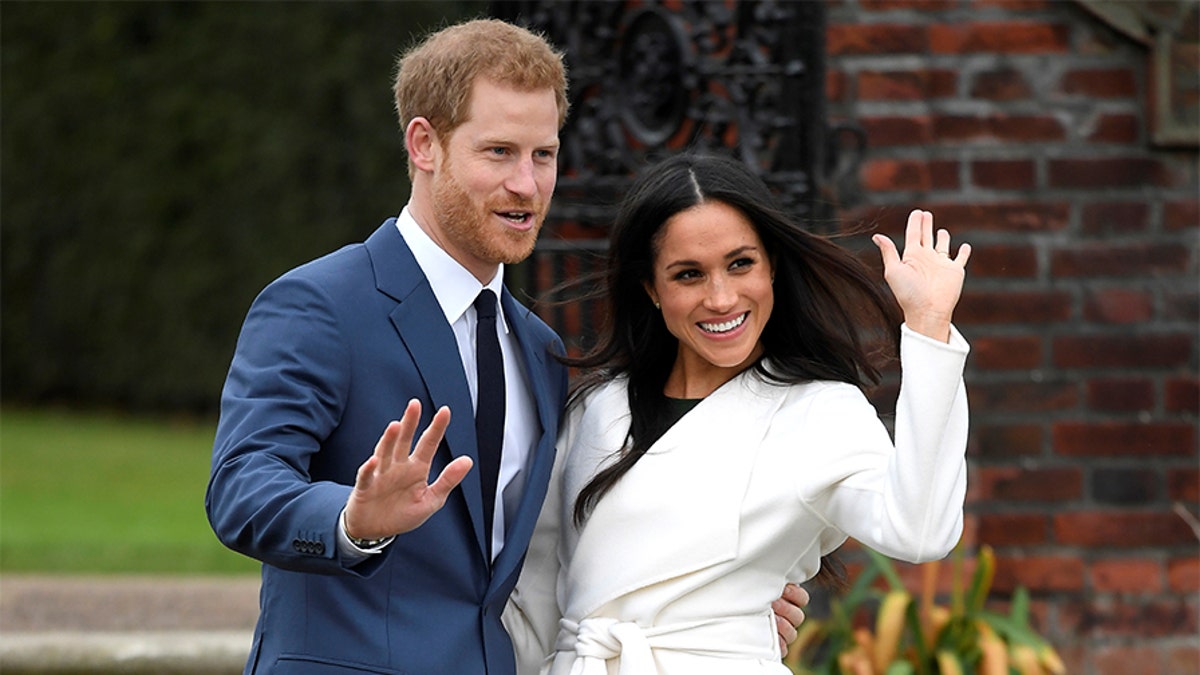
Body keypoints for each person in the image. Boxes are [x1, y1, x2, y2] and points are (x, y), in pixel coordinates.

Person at [206, 20, 805, 675]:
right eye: (499, 153)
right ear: (424, 144)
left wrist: (706, 610)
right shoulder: (319, 305)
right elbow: (241, 488)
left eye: (542, 155)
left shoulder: (540, 350)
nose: (527, 184)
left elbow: (545, 563)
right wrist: (354, 518)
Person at [504, 153, 972, 674]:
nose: (721, 298)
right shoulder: (593, 409)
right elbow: (533, 595)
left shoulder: (819, 412)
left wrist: (929, 325)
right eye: (688, 275)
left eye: (740, 263)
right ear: (651, 289)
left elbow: (921, 529)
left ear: (771, 264)